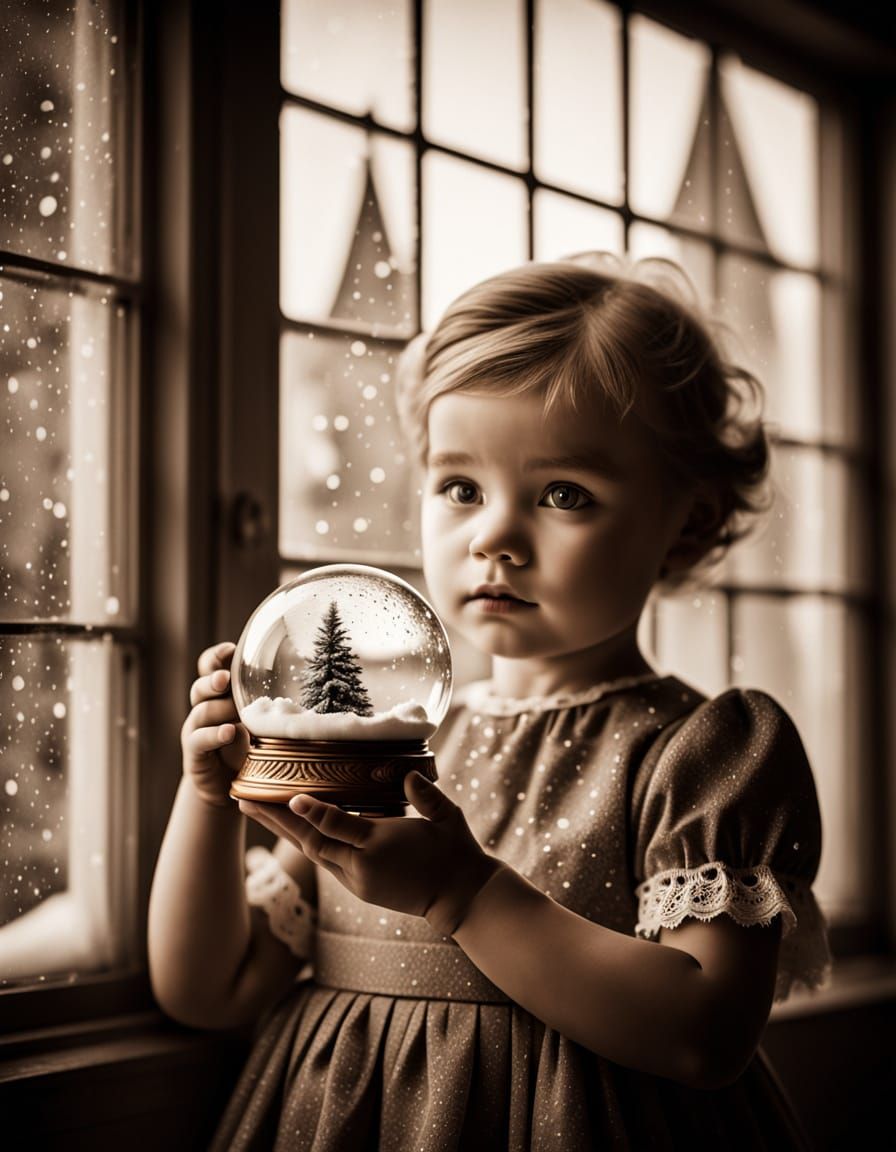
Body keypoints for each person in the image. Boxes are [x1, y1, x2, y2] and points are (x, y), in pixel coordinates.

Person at [148, 253, 831, 1150]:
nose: (496, 536)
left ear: (689, 520)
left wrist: (463, 893)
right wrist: (207, 801)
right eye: (461, 487)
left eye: (563, 495)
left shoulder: (706, 752)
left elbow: (704, 1035)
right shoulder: (383, 744)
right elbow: (209, 989)